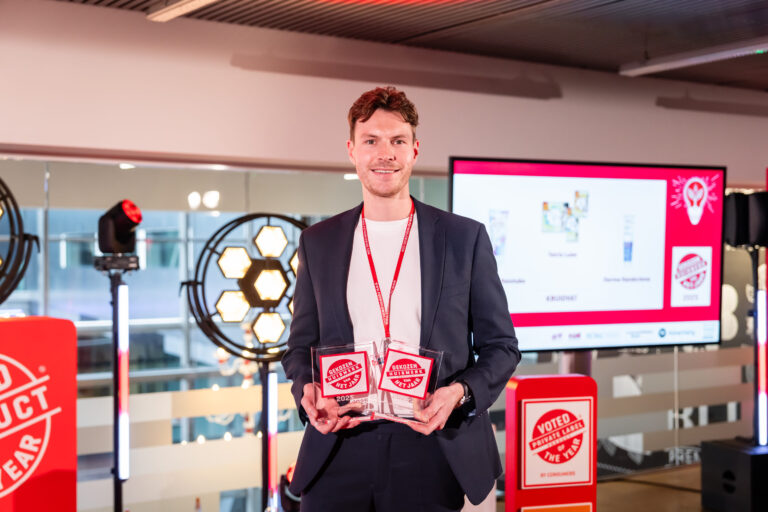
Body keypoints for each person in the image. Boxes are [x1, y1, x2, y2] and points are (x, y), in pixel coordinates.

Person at [281, 86, 520, 511]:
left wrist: (459, 393)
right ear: (352, 151)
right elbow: (299, 348)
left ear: (414, 150)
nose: (385, 153)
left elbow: (502, 347)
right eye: (371, 141)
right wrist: (307, 389)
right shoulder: (318, 242)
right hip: (339, 444)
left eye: (397, 141)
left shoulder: (463, 238)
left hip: (429, 443)